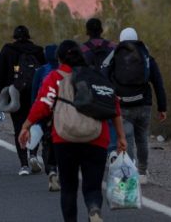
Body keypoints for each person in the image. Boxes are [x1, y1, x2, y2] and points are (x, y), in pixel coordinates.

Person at [19, 40, 127, 222]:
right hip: (97, 138)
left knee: (69, 188)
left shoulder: (55, 77)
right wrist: (121, 137)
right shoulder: (96, 76)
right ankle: (94, 210)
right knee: (92, 187)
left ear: (59, 59)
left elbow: (43, 104)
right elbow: (113, 107)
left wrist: (26, 126)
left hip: (64, 139)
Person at [104, 27, 167, 185]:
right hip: (144, 104)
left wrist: (109, 99)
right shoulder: (146, 56)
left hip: (122, 104)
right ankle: (143, 172)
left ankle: (130, 173)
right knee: (142, 139)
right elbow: (158, 83)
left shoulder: (115, 55)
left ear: (121, 39)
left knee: (127, 139)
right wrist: (162, 107)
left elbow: (104, 76)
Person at [0, 25, 46, 175]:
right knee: (34, 124)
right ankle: (33, 155)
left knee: (19, 126)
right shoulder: (37, 50)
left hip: (15, 93)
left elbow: (1, 73)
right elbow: (44, 71)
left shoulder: (7, 50)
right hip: (35, 93)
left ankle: (23, 164)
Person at [81, 18, 118, 153]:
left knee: (89, 120)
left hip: (90, 91)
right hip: (109, 88)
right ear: (101, 30)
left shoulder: (82, 49)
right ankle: (112, 150)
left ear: (87, 31)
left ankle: (92, 149)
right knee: (111, 120)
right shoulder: (113, 47)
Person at [30, 44, 60, 191]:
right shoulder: (65, 71)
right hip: (64, 112)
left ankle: (51, 170)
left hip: (45, 111)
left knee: (47, 142)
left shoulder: (41, 71)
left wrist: (32, 116)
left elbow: (34, 94)